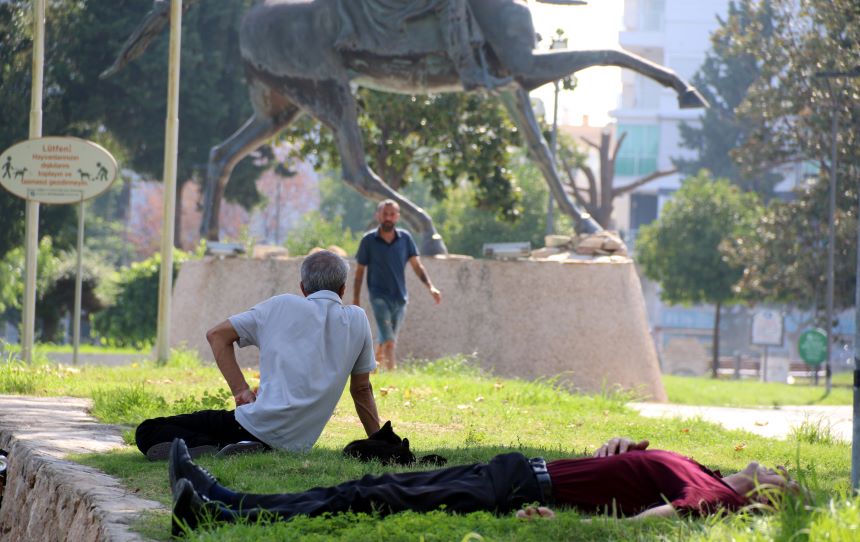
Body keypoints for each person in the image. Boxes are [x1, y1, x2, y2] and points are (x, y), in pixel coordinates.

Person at [169, 436, 798, 535]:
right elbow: (628, 457)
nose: (780, 470)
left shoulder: (722, 496)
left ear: (768, 496)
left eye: (786, 483)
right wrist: (619, 445)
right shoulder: (705, 468)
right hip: (517, 468)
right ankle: (221, 497)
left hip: (522, 492)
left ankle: (219, 516)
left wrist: (579, 527)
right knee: (364, 482)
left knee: (370, 498)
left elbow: (652, 522)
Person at [135, 250, 381, 460]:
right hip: (297, 444)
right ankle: (233, 447)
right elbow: (361, 390)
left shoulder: (281, 305)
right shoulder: (358, 320)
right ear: (343, 288)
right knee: (214, 430)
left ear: (303, 288)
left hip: (254, 424)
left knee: (148, 430)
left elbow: (216, 336)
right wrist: (380, 442)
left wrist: (241, 391)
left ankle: (224, 448)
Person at [353, 200, 442, 370]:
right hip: (378, 296)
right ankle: (393, 375)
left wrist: (431, 287)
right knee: (390, 341)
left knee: (388, 336)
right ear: (377, 215)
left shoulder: (405, 239)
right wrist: (356, 299)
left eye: (392, 214)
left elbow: (417, 266)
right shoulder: (368, 241)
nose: (388, 217)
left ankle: (375, 362)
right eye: (384, 214)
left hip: (400, 298)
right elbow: (359, 273)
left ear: (397, 217)